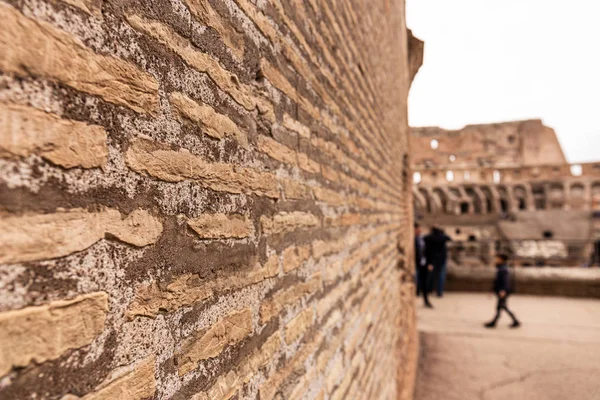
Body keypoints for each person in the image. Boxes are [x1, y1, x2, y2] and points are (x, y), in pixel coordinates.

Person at [485, 253, 521, 328]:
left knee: (501, 307)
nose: (496, 260)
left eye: (497, 258)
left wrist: (503, 290)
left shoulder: (503, 269)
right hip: (501, 290)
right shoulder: (501, 268)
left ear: (501, 259)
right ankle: (514, 321)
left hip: (502, 291)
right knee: (501, 307)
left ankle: (494, 322)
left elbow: (505, 281)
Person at [424, 226, 451, 297]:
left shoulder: (429, 237)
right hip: (441, 260)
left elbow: (425, 238)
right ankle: (439, 292)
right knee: (441, 276)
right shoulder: (442, 237)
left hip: (432, 259)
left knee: (430, 275)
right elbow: (449, 238)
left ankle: (429, 289)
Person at [415, 223, 433, 308]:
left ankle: (426, 300)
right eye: (418, 229)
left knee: (424, 282)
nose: (420, 230)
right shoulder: (415, 239)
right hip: (417, 265)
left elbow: (426, 251)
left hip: (423, 264)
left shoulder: (421, 239)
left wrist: (429, 263)